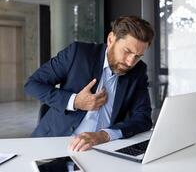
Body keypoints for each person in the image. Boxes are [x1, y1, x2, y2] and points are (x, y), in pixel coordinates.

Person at [24, 16, 154, 152]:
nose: (130, 62)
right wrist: (75, 101)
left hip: (103, 149)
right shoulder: (78, 53)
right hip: (56, 143)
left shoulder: (138, 71)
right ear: (111, 39)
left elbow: (143, 118)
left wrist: (105, 135)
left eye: (138, 56)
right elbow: (32, 84)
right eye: (127, 51)